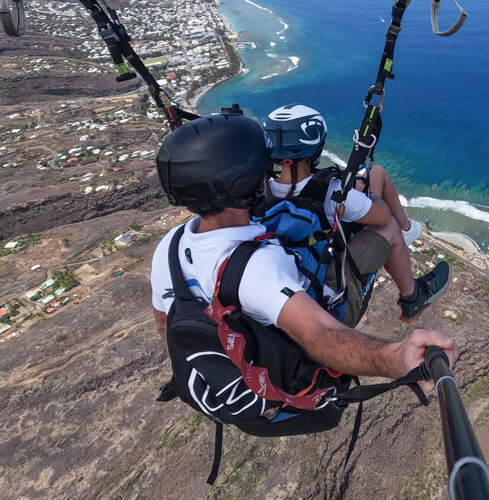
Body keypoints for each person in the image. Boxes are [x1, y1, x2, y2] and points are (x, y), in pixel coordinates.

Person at [149, 112, 456, 395]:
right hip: (318, 320)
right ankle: (412, 296)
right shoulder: (259, 266)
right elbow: (318, 334)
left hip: (222, 363)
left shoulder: (171, 245)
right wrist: (396, 358)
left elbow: (165, 325)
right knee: (388, 229)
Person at [261, 103, 448, 323]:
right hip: (327, 303)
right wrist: (366, 196)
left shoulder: (260, 192)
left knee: (376, 174)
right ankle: (413, 297)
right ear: (316, 148)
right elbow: (383, 216)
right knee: (389, 227)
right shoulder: (332, 193)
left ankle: (407, 231)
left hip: (292, 281)